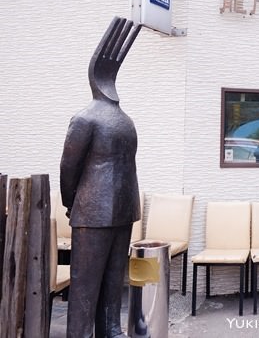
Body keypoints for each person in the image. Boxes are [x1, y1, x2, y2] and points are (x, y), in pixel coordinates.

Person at [60, 17, 142, 338]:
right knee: (111, 285)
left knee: (84, 288)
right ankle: (111, 331)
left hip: (93, 214)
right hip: (124, 210)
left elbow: (69, 169)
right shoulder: (126, 122)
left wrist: (71, 204)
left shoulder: (84, 118)